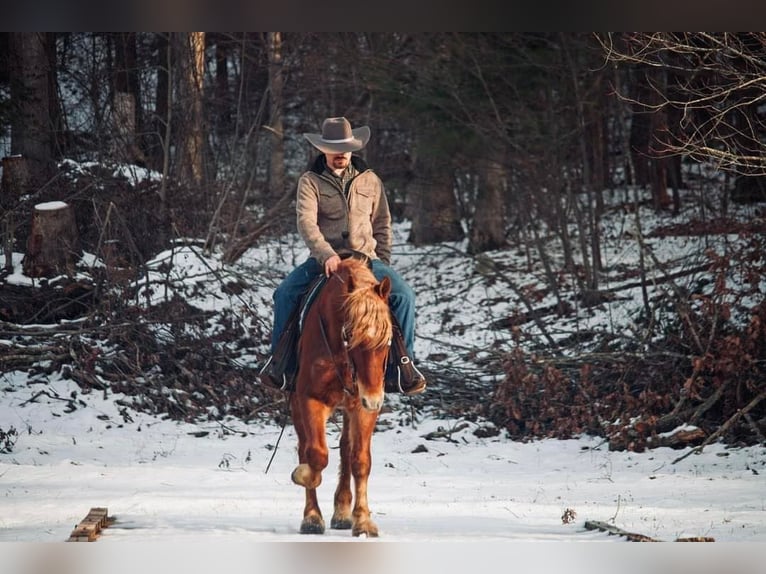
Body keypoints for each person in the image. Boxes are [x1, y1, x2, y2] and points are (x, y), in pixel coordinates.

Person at [259, 116, 426, 395]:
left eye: (345, 149)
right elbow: (306, 223)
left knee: (404, 296)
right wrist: (325, 255)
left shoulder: (370, 180)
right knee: (285, 294)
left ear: (353, 148)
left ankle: (402, 366)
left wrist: (380, 259)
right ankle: (280, 364)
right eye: (335, 150)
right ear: (323, 150)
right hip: (326, 260)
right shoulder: (310, 182)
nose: (341, 155)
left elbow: (382, 223)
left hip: (366, 260)